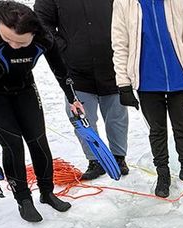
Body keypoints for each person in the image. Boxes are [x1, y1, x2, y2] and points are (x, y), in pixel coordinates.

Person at [0, 0, 83, 223]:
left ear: (33, 33)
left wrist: (73, 98)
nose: (12, 45)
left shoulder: (44, 38)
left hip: (23, 89)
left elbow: (60, 69)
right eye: (7, 39)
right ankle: (23, 199)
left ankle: (47, 193)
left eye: (20, 42)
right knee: (12, 144)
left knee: (38, 140)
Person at [111, 0, 183, 198]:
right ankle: (163, 174)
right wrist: (124, 84)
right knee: (157, 131)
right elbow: (120, 46)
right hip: (147, 81)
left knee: (182, 128)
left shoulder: (174, 2)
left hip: (179, 78)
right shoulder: (124, 4)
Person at [35, 0, 130, 181]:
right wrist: (62, 46)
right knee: (81, 118)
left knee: (117, 116)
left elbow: (129, 14)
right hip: (76, 70)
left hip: (113, 65)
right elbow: (41, 22)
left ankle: (118, 157)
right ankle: (95, 160)